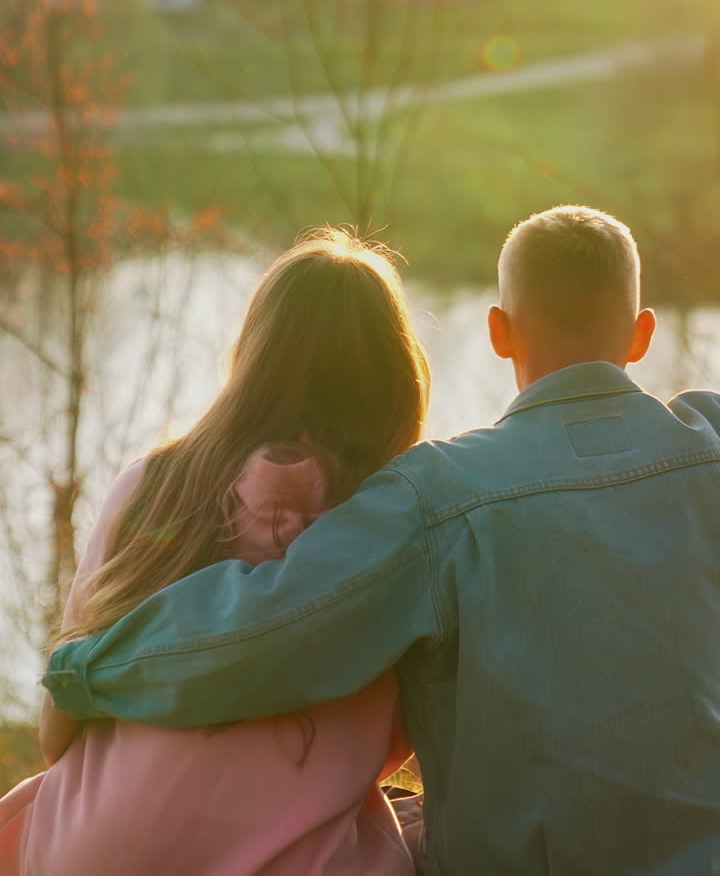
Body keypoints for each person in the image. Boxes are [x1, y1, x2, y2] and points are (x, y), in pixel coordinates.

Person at [42, 205, 720, 875]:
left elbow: (261, 631)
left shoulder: (442, 498)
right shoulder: (708, 444)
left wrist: (83, 669)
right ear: (641, 335)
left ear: (499, 332)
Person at [0, 229, 431, 876]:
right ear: (396, 377)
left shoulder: (150, 485)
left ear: (253, 356)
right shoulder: (395, 533)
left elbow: (58, 727)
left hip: (79, 850)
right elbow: (401, 743)